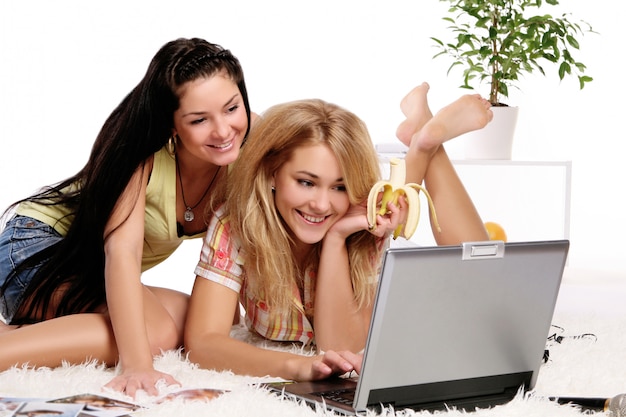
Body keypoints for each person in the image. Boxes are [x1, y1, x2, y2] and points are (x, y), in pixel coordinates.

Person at [184, 88, 493, 381]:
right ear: (271, 172)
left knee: (483, 275)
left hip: (419, 298)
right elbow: (203, 343)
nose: (320, 204)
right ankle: (421, 141)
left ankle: (426, 145)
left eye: (340, 186)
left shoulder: (362, 223)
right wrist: (294, 366)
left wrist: (336, 240)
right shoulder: (235, 225)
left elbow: (342, 347)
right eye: (306, 182)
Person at [0, 37, 252, 397]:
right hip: (37, 249)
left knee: (199, 321)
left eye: (231, 108)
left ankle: (19, 335)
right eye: (199, 120)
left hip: (89, 270)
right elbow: (122, 253)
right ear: (171, 124)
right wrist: (137, 365)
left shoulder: (256, 143)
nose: (224, 131)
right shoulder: (139, 153)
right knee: (159, 333)